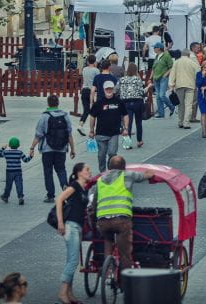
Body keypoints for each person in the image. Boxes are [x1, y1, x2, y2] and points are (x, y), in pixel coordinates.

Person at [92, 156, 154, 271]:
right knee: (125, 252)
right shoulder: (127, 175)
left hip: (103, 221)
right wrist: (150, 172)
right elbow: (146, 176)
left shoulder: (100, 180)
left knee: (107, 240)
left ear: (109, 167)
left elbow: (94, 203)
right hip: (121, 220)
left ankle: (108, 269)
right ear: (123, 168)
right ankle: (126, 277)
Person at [54, 162, 91, 304]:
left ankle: (69, 293)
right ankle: (63, 293)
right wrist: (60, 222)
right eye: (87, 170)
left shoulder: (83, 188)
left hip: (78, 227)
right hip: (71, 226)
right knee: (74, 260)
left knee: (71, 260)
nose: (89, 172)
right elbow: (59, 199)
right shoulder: (75, 186)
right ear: (79, 173)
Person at [28, 95, 75, 203]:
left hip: (47, 149)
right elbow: (69, 134)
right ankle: (66, 191)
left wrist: (32, 147)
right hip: (62, 149)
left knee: (48, 172)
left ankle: (50, 195)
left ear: (48, 103)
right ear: (58, 103)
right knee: (61, 170)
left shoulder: (44, 116)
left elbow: (38, 135)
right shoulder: (65, 116)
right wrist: (72, 149)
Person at [88, 81, 128, 173]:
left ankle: (111, 172)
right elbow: (92, 116)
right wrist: (91, 130)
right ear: (104, 90)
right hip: (101, 133)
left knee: (112, 153)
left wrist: (125, 128)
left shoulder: (119, 101)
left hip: (114, 133)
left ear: (113, 89)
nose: (109, 90)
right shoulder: (99, 103)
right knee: (101, 155)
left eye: (110, 88)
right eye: (107, 89)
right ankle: (102, 172)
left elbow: (125, 115)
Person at [116, 63, 147, 149]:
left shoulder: (122, 79)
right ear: (135, 70)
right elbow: (142, 92)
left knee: (127, 123)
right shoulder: (137, 79)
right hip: (137, 102)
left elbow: (116, 90)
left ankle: (127, 143)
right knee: (138, 122)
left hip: (125, 103)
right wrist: (148, 87)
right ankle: (139, 141)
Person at [169, 49, 200, 130]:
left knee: (180, 105)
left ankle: (180, 122)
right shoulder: (193, 63)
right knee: (189, 105)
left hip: (179, 85)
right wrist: (197, 84)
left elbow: (172, 74)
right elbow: (198, 73)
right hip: (190, 85)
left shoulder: (176, 62)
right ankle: (186, 123)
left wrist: (171, 85)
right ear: (188, 55)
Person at [0, 138, 31, 205]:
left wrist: (2, 148)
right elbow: (25, 160)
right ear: (18, 145)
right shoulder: (20, 152)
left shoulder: (6, 152)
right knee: (19, 184)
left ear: (9, 145)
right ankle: (20, 197)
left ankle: (5, 196)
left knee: (8, 185)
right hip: (18, 171)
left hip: (9, 171)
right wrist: (30, 156)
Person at [151, 45, 175, 119]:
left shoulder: (166, 56)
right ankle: (161, 113)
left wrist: (166, 74)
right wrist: (150, 77)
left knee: (162, 95)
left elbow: (172, 66)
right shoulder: (156, 56)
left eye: (154, 47)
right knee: (158, 96)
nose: (153, 49)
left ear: (158, 48)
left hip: (163, 78)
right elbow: (153, 68)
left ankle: (171, 106)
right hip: (156, 78)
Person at [79, 55, 98, 128]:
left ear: (87, 61)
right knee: (93, 111)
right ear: (95, 61)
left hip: (84, 90)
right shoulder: (96, 70)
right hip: (91, 91)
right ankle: (92, 128)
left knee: (86, 110)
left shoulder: (84, 69)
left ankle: (80, 125)